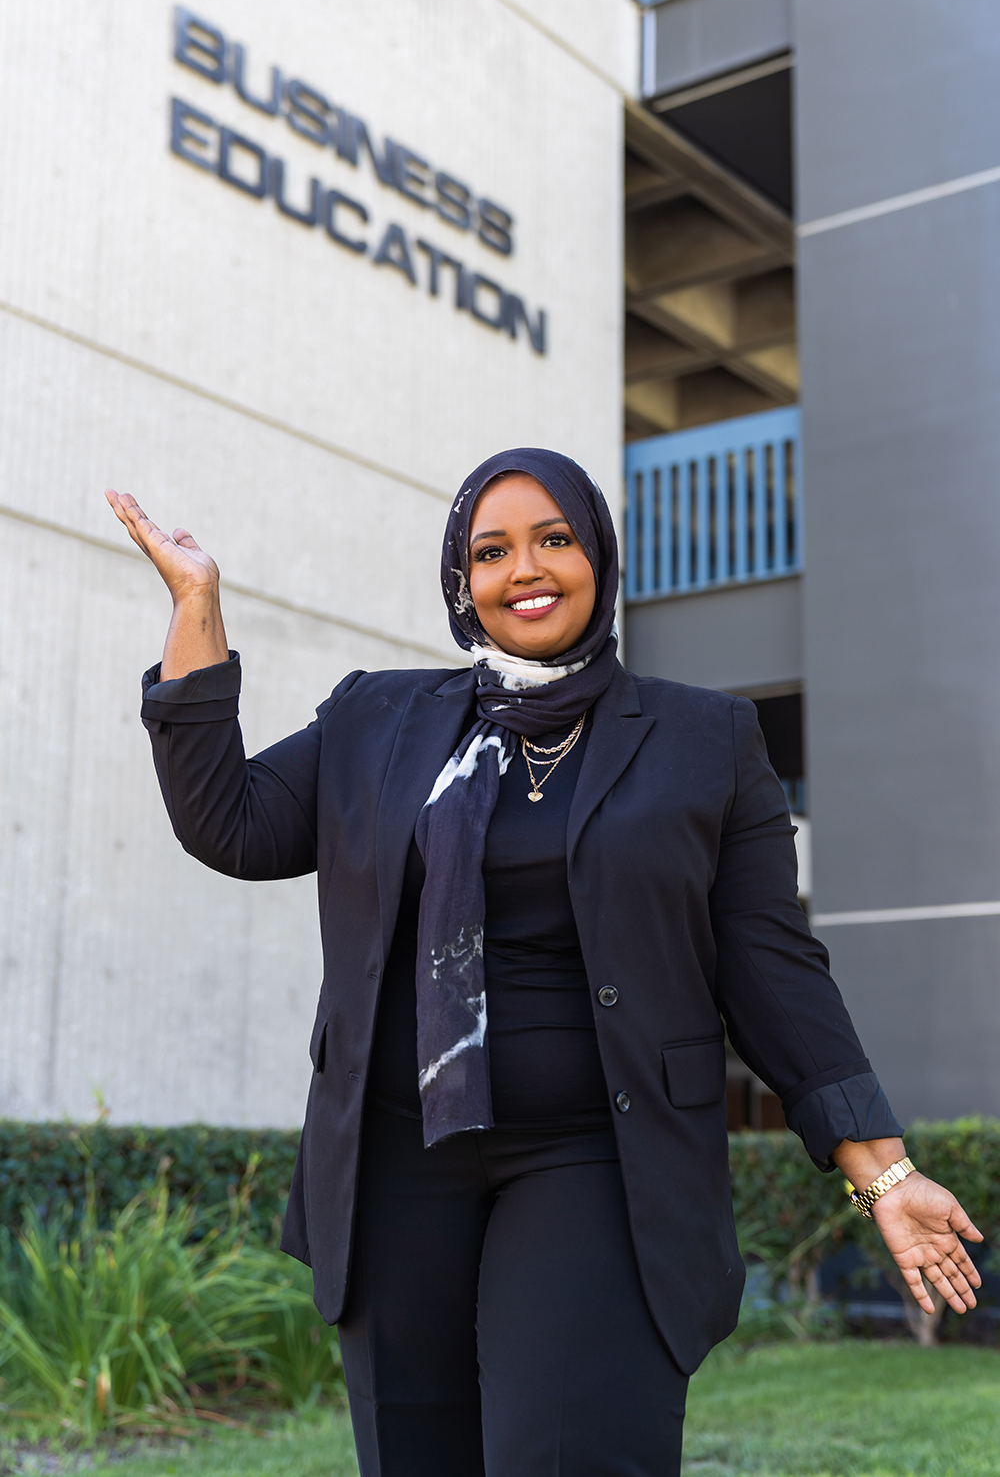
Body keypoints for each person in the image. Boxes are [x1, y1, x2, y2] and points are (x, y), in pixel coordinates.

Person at [106, 449, 982, 1477]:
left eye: (553, 538)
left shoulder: (705, 739)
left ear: (598, 558)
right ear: (460, 581)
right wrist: (197, 606)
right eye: (491, 550)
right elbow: (232, 826)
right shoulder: (377, 720)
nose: (524, 568)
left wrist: (881, 1174)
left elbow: (770, 968)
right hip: (396, 1160)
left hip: (597, 1160)